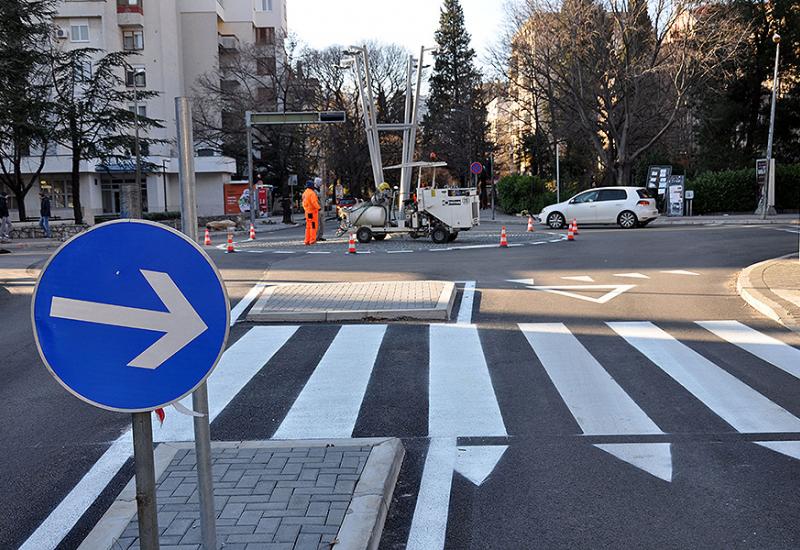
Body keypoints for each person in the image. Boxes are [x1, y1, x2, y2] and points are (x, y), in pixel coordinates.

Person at [302, 180, 320, 245]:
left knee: (308, 226)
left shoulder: (305, 193)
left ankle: (307, 240)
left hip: (307, 212)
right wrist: (319, 208)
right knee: (313, 226)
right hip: (313, 212)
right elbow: (314, 202)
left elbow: (303, 203)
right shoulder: (312, 193)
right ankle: (312, 240)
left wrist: (306, 209)